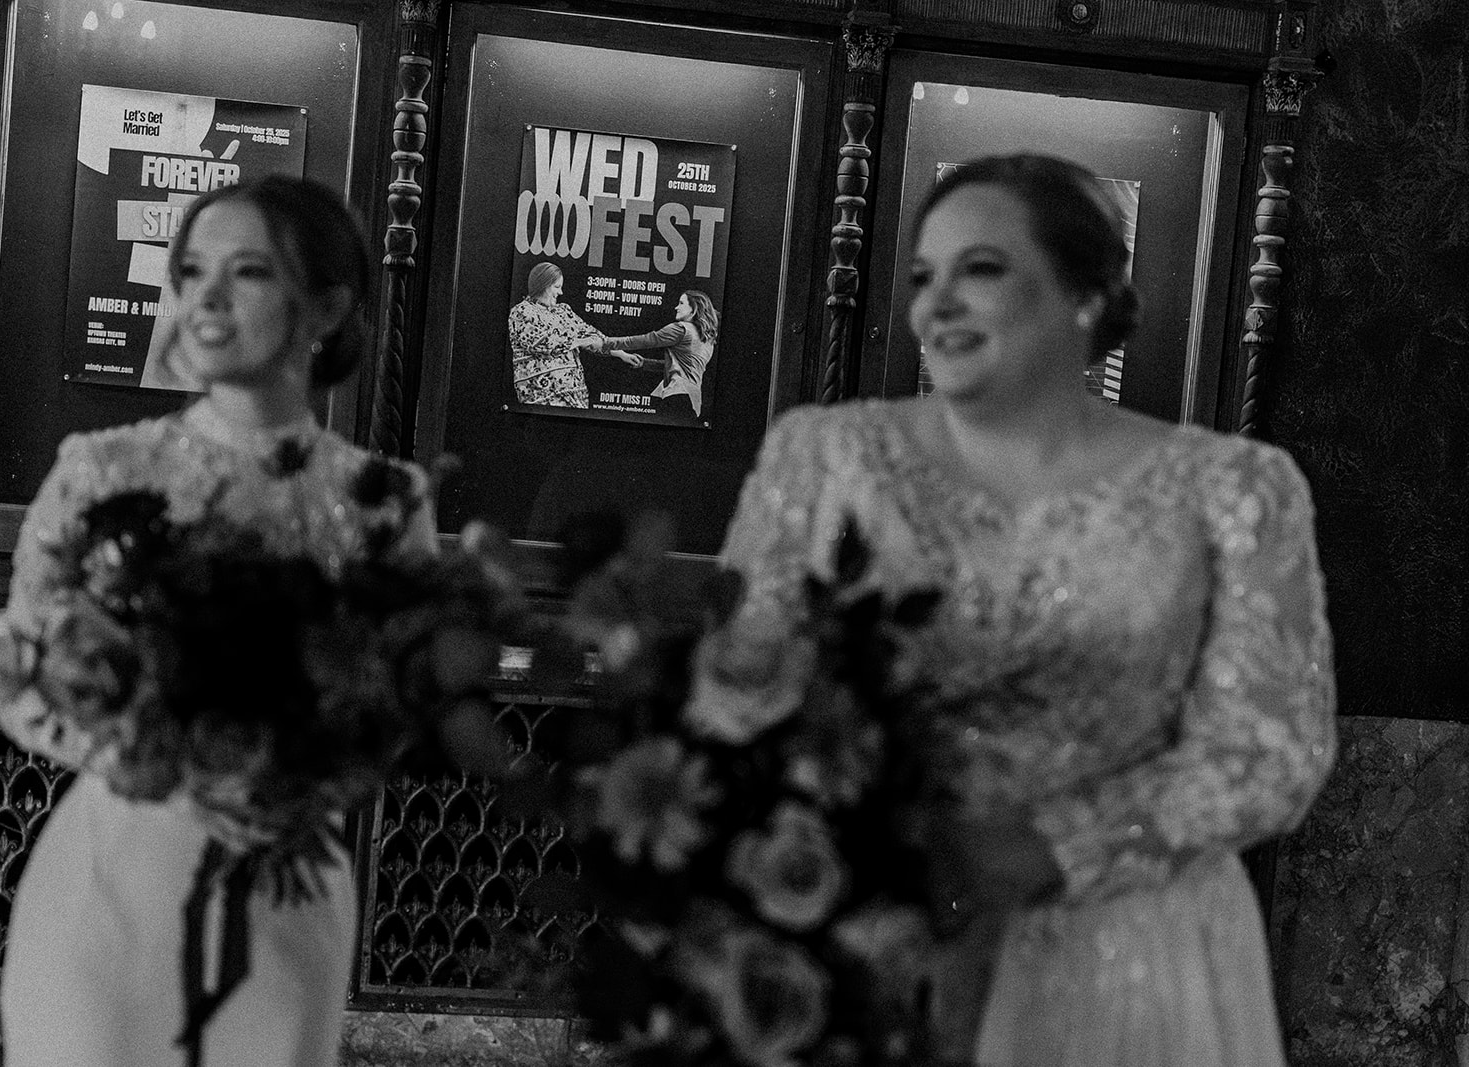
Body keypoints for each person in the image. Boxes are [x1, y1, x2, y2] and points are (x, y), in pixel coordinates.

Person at [701, 153, 1336, 1066]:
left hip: (1132, 950)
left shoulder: (1233, 488)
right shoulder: (826, 457)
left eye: (981, 269)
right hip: (878, 930)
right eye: (924, 278)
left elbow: (1271, 746)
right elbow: (735, 692)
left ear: (1085, 294)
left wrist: (1046, 848)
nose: (937, 304)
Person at [0, 176, 437, 1067]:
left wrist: (297, 770)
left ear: (327, 307)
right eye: (192, 271)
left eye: (248, 272)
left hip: (284, 890)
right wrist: (154, 752)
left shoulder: (385, 504)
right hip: (112, 878)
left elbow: (401, 706)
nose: (207, 298)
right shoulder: (102, 469)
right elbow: (22, 670)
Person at [508, 262, 635, 407]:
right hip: (541, 396)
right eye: (556, 287)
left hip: (575, 395)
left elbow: (591, 334)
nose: (560, 292)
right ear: (542, 285)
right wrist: (579, 341)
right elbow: (539, 344)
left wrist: (621, 354)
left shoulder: (563, 311)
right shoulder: (521, 311)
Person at [584, 289, 719, 419]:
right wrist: (645, 363)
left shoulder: (680, 329)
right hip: (694, 401)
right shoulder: (707, 340)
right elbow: (680, 367)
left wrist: (605, 342)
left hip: (677, 395)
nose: (676, 307)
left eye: (681, 303)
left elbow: (644, 340)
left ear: (693, 309)